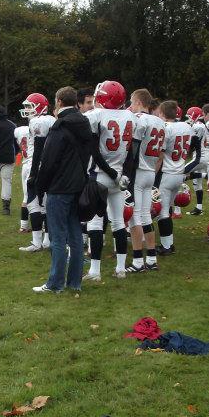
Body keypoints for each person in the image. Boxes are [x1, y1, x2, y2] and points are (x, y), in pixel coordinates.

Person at [32, 86, 117, 293]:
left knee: (58, 237)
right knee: (76, 235)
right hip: (78, 184)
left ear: (59, 101)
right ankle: (74, 282)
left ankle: (55, 284)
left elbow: (49, 161)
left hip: (60, 186)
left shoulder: (60, 126)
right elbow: (92, 153)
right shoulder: (84, 123)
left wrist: (40, 187)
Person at [83, 81, 134, 281]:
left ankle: (95, 271)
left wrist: (111, 173)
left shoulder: (96, 116)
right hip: (120, 177)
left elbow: (94, 151)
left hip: (101, 176)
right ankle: (120, 269)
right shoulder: (130, 117)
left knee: (95, 224)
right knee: (118, 221)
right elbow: (131, 152)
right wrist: (125, 175)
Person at [125, 88, 165, 272]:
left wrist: (127, 174)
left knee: (134, 218)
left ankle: (138, 262)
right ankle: (151, 258)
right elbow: (160, 155)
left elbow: (133, 149)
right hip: (150, 171)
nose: (130, 106)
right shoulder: (160, 122)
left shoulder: (139, 120)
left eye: (132, 102)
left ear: (139, 103)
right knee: (146, 216)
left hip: (138, 172)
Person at [155, 100, 200, 255]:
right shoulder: (186, 127)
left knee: (163, 212)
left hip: (166, 173)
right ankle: (169, 244)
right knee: (168, 209)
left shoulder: (165, 128)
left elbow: (160, 156)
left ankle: (166, 247)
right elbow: (194, 146)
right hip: (179, 172)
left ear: (162, 113)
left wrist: (153, 174)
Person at [18, 93, 55, 251]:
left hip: (36, 166)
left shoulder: (37, 122)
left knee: (33, 204)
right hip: (51, 167)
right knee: (46, 205)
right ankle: (47, 239)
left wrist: (33, 173)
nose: (27, 110)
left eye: (30, 106)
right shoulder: (52, 120)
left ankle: (36, 242)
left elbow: (38, 149)